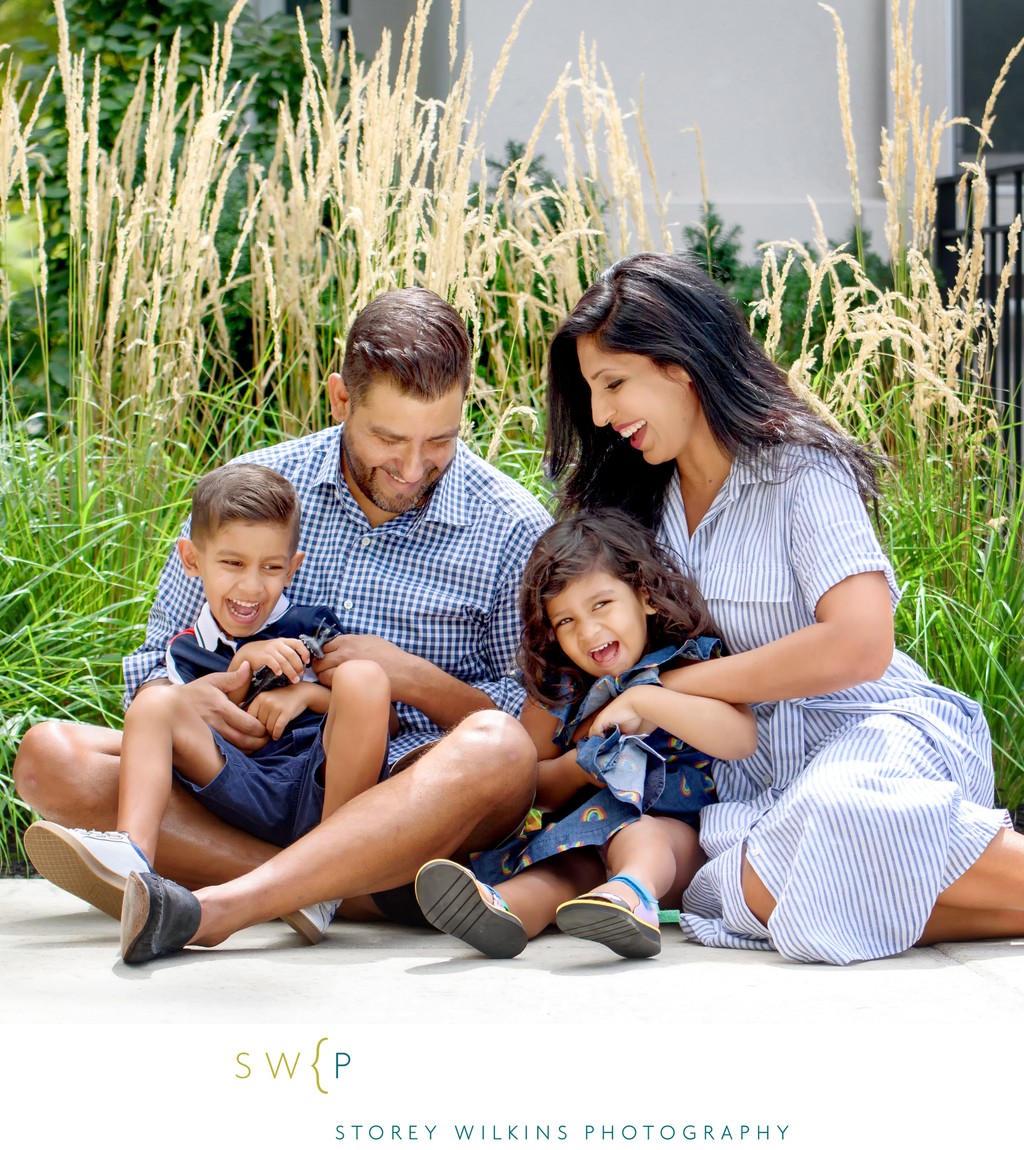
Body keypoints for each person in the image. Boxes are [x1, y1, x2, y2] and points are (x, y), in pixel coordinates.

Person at [14, 286, 552, 959]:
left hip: (404, 793)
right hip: (248, 770)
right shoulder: (257, 489)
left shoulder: (512, 526)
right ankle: (344, 893)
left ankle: (219, 903)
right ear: (340, 400)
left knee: (498, 749)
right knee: (48, 759)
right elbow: (157, 658)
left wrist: (411, 679)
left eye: (439, 441)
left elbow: (533, 738)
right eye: (389, 438)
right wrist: (195, 697)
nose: (413, 468)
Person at [541, 250, 1024, 966]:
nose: (603, 414)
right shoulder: (639, 507)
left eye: (614, 384)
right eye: (593, 392)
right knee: (745, 888)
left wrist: (671, 688)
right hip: (755, 777)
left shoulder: (801, 470)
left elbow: (860, 645)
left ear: (680, 364)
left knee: (836, 815)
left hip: (870, 731)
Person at [25, 462, 395, 941]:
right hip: (232, 787)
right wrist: (242, 662)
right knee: (155, 703)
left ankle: (326, 878)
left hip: (316, 787)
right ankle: (132, 858)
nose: (251, 586)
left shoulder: (311, 625)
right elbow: (216, 725)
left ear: (293, 568)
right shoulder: (186, 649)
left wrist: (306, 693)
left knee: (364, 675)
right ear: (192, 560)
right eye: (232, 563)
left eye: (271, 567)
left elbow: (382, 719)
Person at [414, 509, 756, 959]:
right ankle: (500, 910)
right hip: (579, 835)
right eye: (566, 621)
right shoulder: (559, 687)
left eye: (600, 605)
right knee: (558, 871)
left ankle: (631, 897)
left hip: (676, 841)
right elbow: (531, 780)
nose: (589, 631)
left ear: (646, 596)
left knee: (639, 835)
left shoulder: (687, 662)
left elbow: (740, 739)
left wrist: (646, 701)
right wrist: (580, 766)